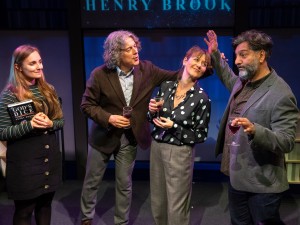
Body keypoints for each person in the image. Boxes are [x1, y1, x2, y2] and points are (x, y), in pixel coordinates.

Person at [80, 30, 179, 225]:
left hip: (130, 138)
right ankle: (86, 218)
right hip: (103, 138)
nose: (136, 52)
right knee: (92, 181)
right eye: (129, 49)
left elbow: (177, 76)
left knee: (124, 185)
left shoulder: (147, 70)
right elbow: (87, 105)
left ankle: (121, 222)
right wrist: (109, 118)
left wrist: (206, 63)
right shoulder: (99, 75)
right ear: (116, 53)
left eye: (136, 47)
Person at [204, 30, 299, 224]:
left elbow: (287, 141)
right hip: (237, 175)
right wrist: (215, 54)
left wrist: (256, 130)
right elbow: (228, 77)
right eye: (236, 55)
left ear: (261, 55)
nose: (237, 61)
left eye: (243, 55)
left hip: (261, 182)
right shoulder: (243, 82)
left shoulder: (281, 93)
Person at [147, 45, 212, 225]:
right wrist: (151, 111)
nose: (200, 65)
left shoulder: (202, 98)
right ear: (185, 60)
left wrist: (174, 126)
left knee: (177, 204)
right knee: (158, 201)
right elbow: (151, 117)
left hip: (180, 151)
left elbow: (201, 134)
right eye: (196, 60)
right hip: (157, 147)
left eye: (204, 64)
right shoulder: (166, 86)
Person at [0, 45, 64, 225]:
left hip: (48, 159)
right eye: (33, 63)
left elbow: (60, 121)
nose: (40, 67)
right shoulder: (9, 95)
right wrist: (30, 125)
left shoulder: (48, 89)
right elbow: (2, 131)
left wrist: (51, 124)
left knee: (45, 206)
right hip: (24, 164)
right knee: (24, 211)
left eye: (40, 62)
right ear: (18, 67)